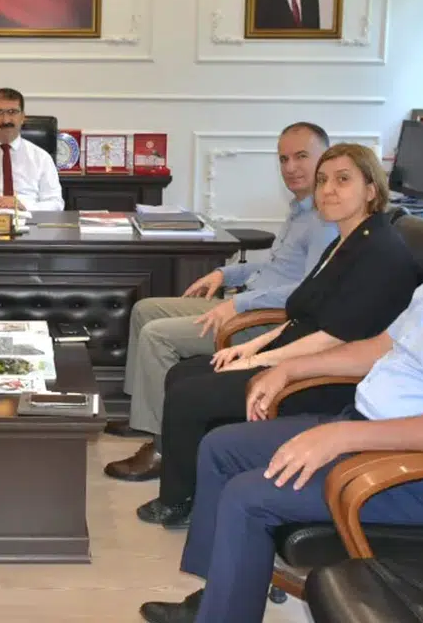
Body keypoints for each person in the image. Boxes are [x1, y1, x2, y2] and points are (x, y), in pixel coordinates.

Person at [137, 157, 423, 623]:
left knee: (248, 495)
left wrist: (339, 438)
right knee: (221, 447)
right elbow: (377, 347)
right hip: (369, 430)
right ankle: (218, 599)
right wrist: (289, 369)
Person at [137, 143, 423, 529]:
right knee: (183, 373)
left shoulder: (379, 253)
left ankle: (178, 500)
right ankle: (195, 487)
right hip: (294, 354)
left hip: (324, 378)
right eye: (323, 180)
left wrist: (256, 361)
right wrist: (252, 345)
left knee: (190, 394)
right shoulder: (345, 241)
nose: (328, 190)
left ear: (371, 189)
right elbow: (299, 314)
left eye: (343, 180)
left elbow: (334, 338)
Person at [104, 122, 338, 482]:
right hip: (248, 303)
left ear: (325, 158)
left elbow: (308, 290)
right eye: (283, 159)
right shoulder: (301, 210)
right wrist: (224, 275)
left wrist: (238, 305)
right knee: (144, 309)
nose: (291, 167)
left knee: (158, 335)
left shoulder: (325, 220)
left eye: (301, 156)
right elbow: (274, 268)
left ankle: (165, 447)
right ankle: (145, 418)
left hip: (265, 322)